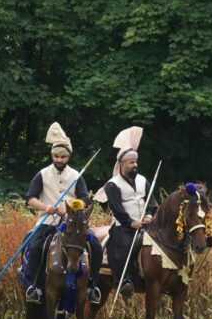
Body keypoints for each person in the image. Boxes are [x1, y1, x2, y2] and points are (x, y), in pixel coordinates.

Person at [24, 122, 103, 305]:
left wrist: (75, 205)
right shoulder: (42, 174)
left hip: (73, 223)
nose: (59, 160)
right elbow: (30, 199)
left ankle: (93, 286)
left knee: (96, 247)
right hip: (47, 221)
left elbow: (85, 199)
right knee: (35, 247)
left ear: (68, 157)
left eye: (63, 157)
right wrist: (46, 207)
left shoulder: (76, 176)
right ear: (52, 155)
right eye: (56, 156)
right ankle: (34, 287)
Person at [98, 126, 158, 298]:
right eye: (131, 162)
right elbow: (117, 210)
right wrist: (132, 223)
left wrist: (148, 215)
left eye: (136, 162)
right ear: (122, 164)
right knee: (125, 245)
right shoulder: (112, 185)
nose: (135, 165)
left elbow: (152, 202)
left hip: (145, 224)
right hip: (123, 227)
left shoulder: (143, 180)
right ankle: (124, 280)